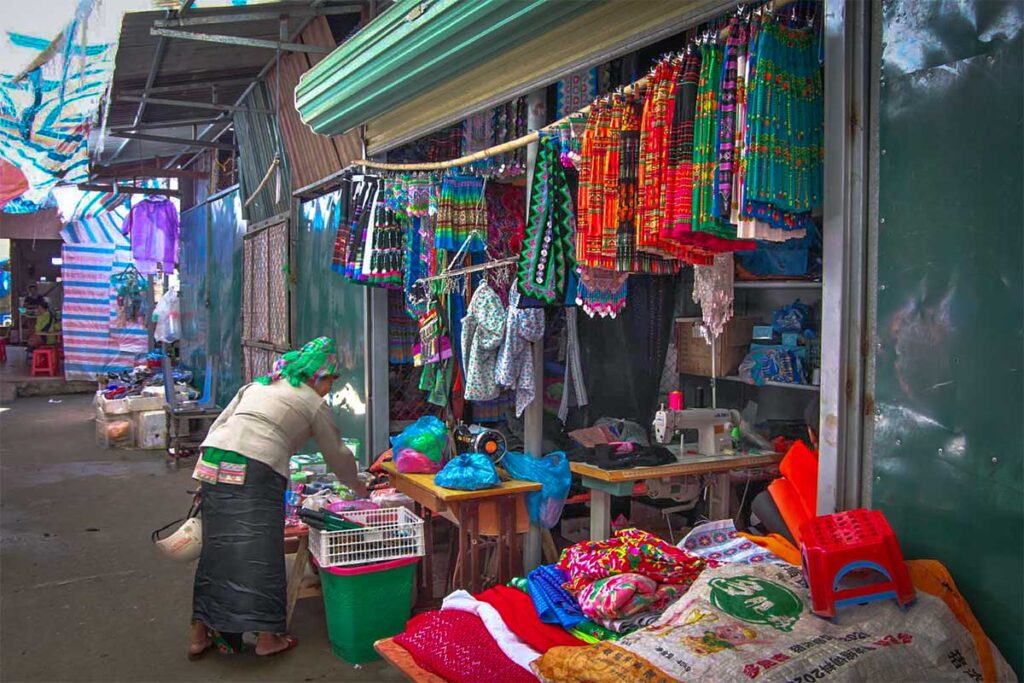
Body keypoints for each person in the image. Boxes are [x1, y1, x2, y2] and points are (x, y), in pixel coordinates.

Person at [187, 336, 366, 660]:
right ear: (317, 377)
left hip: (214, 462)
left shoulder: (259, 385)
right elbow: (337, 455)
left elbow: (222, 423)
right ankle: (268, 638)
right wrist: (359, 488)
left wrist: (204, 474)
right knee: (260, 552)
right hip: (255, 467)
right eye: (329, 380)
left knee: (217, 550)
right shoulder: (312, 402)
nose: (330, 387)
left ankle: (198, 633)